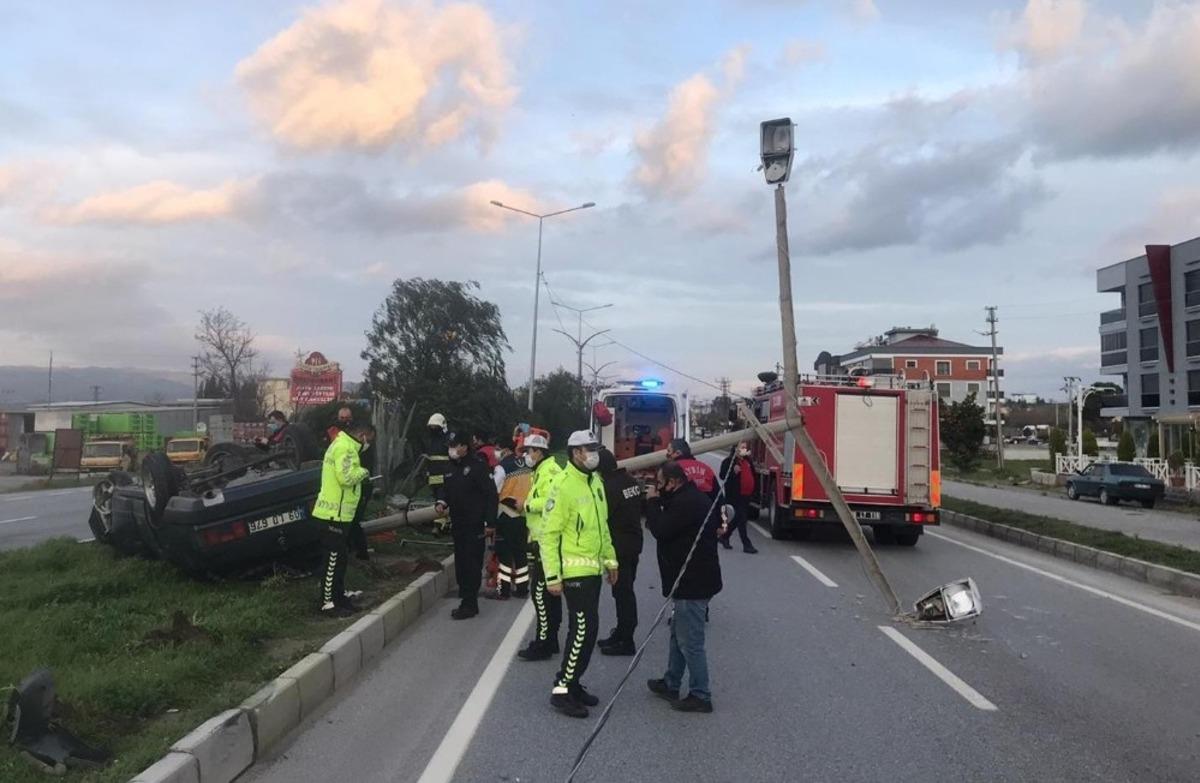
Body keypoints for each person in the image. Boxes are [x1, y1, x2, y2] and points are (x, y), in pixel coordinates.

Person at [541, 431, 619, 718]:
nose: (595, 453)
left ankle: (572, 685)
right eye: (590, 449)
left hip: (592, 570)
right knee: (582, 632)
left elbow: (602, 527)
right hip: (574, 572)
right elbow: (548, 536)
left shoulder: (594, 481)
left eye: (596, 448)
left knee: (588, 632)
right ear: (576, 453)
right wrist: (552, 576)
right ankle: (561, 690)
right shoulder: (562, 486)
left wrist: (611, 561)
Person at [645, 461, 723, 713]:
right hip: (687, 579)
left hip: (693, 581)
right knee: (677, 635)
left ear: (673, 481)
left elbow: (661, 529)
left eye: (660, 483)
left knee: (690, 641)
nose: (658, 487)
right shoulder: (685, 497)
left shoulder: (688, 503)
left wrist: (652, 502)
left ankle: (701, 694)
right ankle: (671, 681)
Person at [313, 422, 375, 616]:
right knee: (332, 560)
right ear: (363, 434)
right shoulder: (345, 447)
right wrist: (364, 472)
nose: (368, 444)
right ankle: (327, 602)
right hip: (333, 515)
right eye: (369, 440)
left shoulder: (343, 445)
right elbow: (345, 477)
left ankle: (338, 597)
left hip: (339, 514)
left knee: (340, 559)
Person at [437, 431, 497, 620]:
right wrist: (441, 502)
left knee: (472, 564)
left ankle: (470, 604)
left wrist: (490, 522)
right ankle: (466, 600)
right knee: (461, 564)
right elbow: (446, 490)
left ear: (464, 447)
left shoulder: (478, 467)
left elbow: (491, 495)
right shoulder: (450, 467)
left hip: (475, 524)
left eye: (455, 446)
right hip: (458, 523)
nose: (452, 450)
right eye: (450, 446)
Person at [517, 432, 563, 661]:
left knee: (541, 595)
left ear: (539, 452)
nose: (526, 455)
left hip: (546, 542)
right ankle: (551, 639)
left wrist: (526, 505)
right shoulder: (541, 471)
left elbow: (551, 502)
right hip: (540, 540)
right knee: (548, 595)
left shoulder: (550, 472)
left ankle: (543, 642)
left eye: (529, 451)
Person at [597, 447, 643, 657]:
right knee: (624, 591)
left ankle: (627, 640)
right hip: (633, 542)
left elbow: (601, 518)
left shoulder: (608, 488)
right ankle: (621, 632)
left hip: (620, 546)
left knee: (623, 593)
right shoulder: (630, 481)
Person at [492, 438, 532, 600]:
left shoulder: (502, 468)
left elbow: (493, 489)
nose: (496, 452)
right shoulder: (526, 465)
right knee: (521, 554)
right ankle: (522, 589)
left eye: (497, 448)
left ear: (506, 450)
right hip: (523, 515)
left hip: (506, 515)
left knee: (504, 556)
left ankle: (504, 590)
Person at [718, 442, 758, 554]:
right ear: (736, 449)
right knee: (742, 518)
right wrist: (732, 471)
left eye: (745, 447)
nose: (745, 449)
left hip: (746, 495)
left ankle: (725, 536)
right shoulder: (728, 462)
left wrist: (755, 491)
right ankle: (747, 544)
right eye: (742, 447)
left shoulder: (748, 461)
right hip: (735, 495)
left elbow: (753, 475)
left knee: (738, 518)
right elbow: (722, 475)